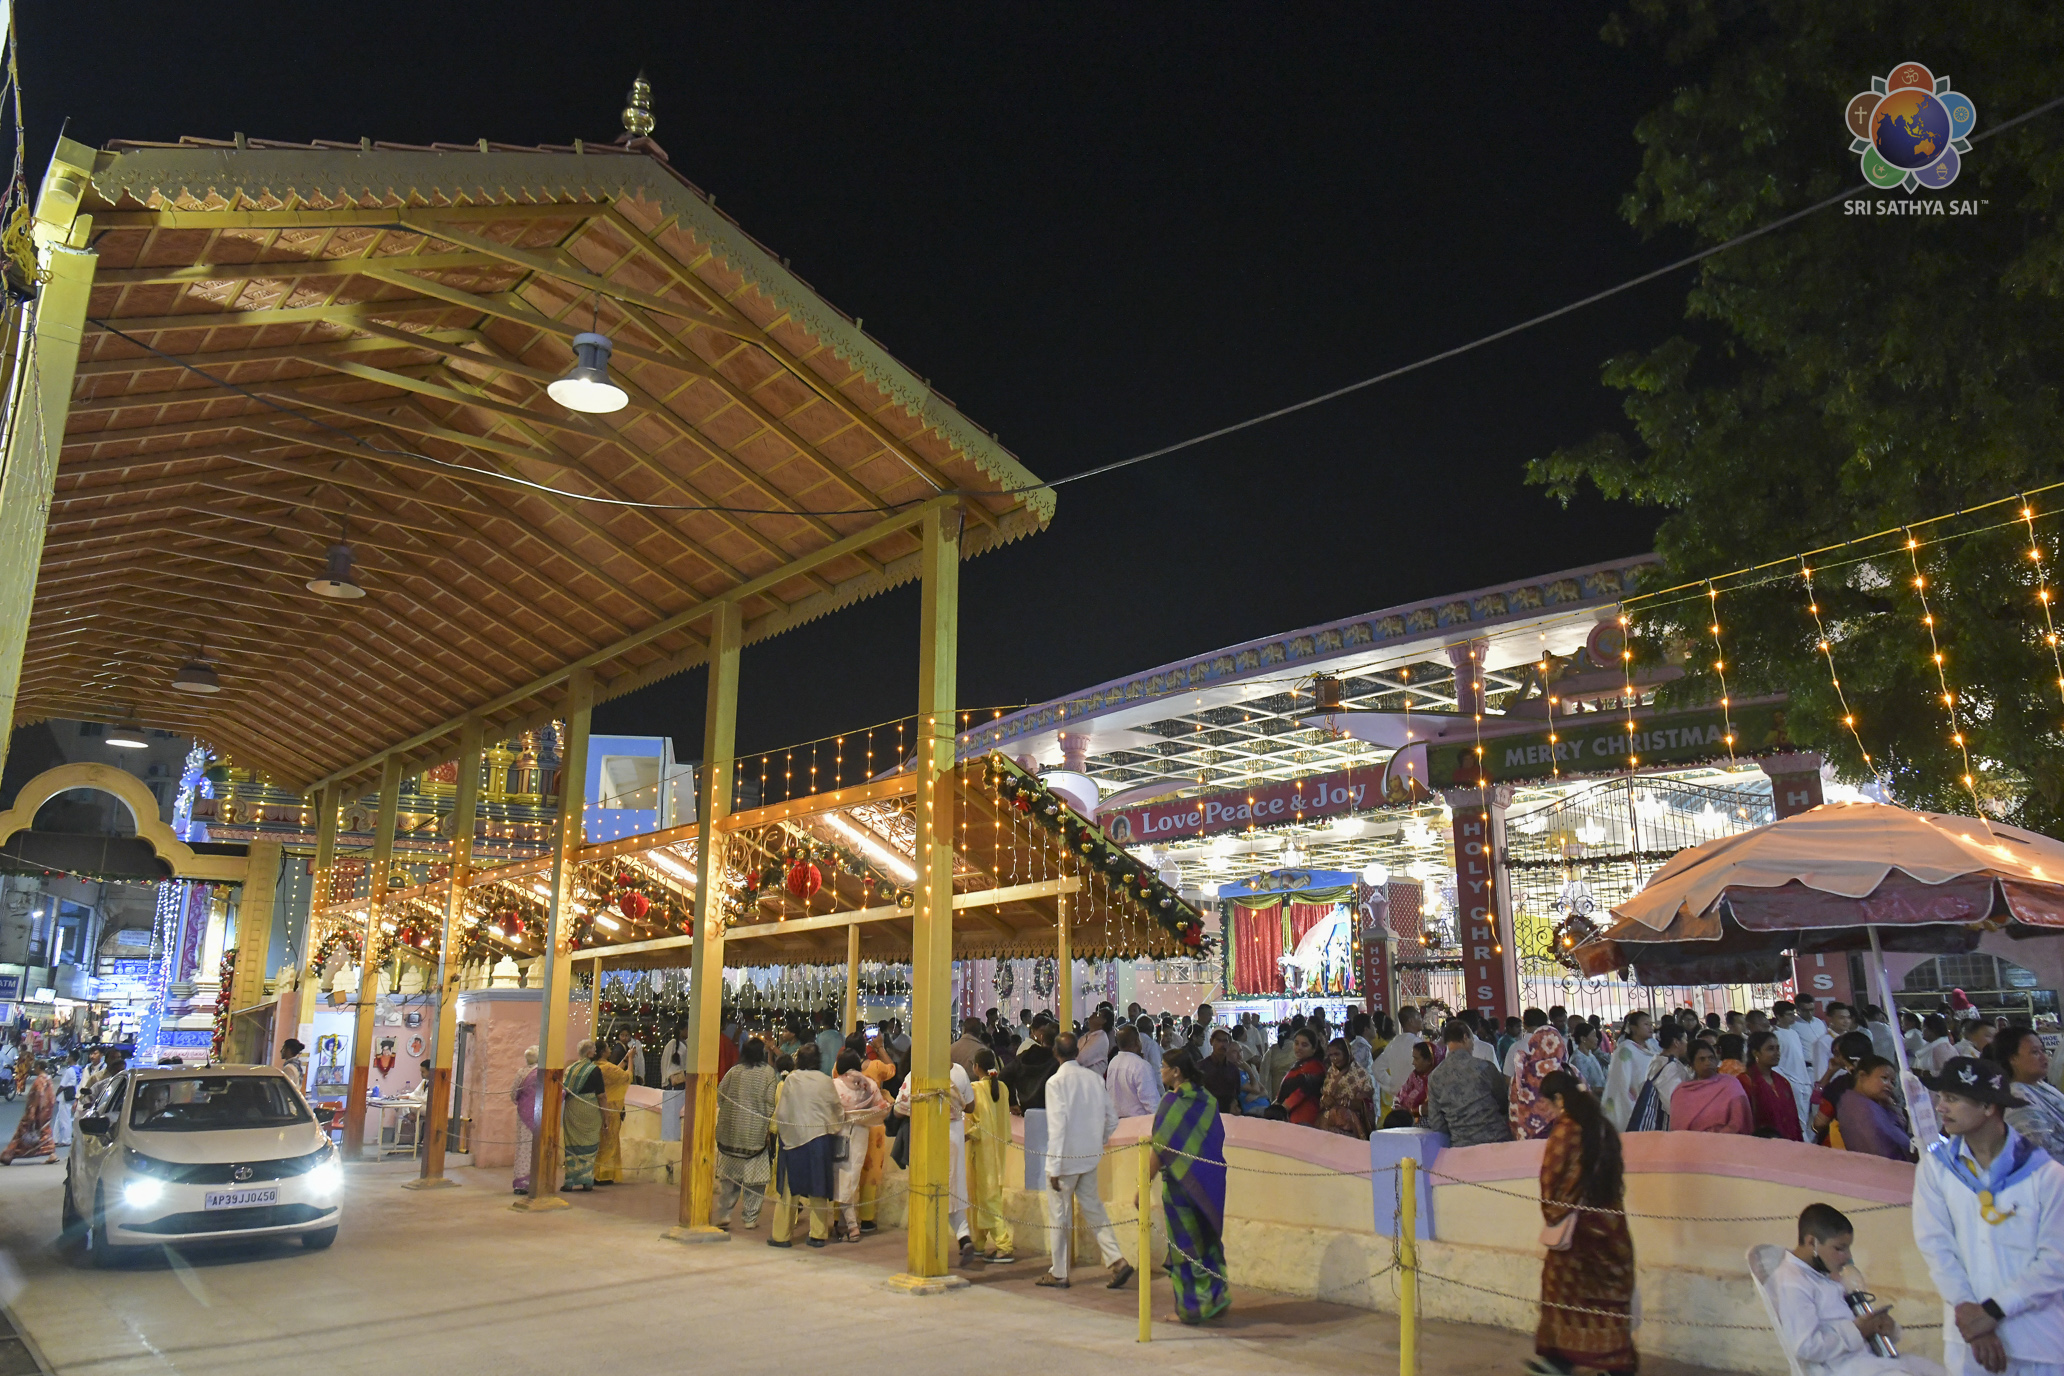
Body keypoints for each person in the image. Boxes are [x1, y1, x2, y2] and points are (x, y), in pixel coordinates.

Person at [1913, 1055, 2064, 1375]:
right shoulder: (1936, 1168)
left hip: (2037, 1340)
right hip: (1968, 1340)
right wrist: (1971, 1313)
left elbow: (2055, 1260)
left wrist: (1992, 1313)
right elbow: (1936, 1246)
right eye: (1941, 1097)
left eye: (1952, 1099)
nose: (1940, 1107)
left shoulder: (2046, 1174)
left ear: (1987, 1106)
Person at [1529, 1070, 1636, 1376]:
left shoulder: (1565, 1131)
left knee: (1563, 1294)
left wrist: (1553, 1214)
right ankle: (1614, 1362)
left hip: (1577, 1234)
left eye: (1548, 1104)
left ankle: (1559, 1360)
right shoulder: (1602, 1126)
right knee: (1609, 1298)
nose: (1547, 1111)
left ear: (1560, 1099)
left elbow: (1551, 1182)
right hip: (1611, 1227)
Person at [1771, 1203, 1945, 1375]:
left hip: (1869, 1359)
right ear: (1812, 1243)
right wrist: (1858, 1331)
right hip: (1838, 1367)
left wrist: (1885, 1327)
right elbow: (1806, 1347)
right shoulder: (1793, 1281)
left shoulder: (1826, 1272)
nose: (1847, 1256)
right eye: (1839, 1248)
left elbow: (1854, 1318)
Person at [1036, 1032, 1134, 1291]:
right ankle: (1117, 1260)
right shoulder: (1093, 1078)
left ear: (1055, 1054)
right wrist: (1096, 1140)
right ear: (1076, 1053)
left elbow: (1057, 1127)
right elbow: (1111, 1119)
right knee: (1094, 1210)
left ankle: (1059, 1272)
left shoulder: (1055, 1083)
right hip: (1089, 1158)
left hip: (1064, 1160)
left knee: (1059, 1215)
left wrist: (1054, 1166)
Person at [1152, 1047, 1230, 1325]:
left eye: (1163, 1066)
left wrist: (1141, 1184)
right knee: (1208, 1239)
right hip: (1208, 1182)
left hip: (1180, 1188)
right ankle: (1217, 1297)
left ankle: (1191, 1309)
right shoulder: (1207, 1099)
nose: (1160, 1070)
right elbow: (1214, 1138)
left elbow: (1159, 1148)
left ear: (1176, 1072)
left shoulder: (1171, 1103)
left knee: (1185, 1245)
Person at [891, 1050, 976, 1262]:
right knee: (953, 1187)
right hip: (954, 1134)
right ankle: (964, 1236)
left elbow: (898, 1110)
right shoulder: (959, 1072)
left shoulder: (916, 1076)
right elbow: (971, 1106)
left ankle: (931, 1243)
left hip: (926, 1135)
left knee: (926, 1188)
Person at [771, 1043, 844, 1249]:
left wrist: (782, 1132)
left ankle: (781, 1235)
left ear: (798, 1060)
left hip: (793, 1138)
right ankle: (818, 1235)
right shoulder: (826, 1081)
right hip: (820, 1138)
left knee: (788, 1190)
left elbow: (782, 1112)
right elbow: (837, 1109)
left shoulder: (791, 1080)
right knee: (818, 1189)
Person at [713, 1038, 778, 1231]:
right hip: (755, 1135)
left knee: (729, 1180)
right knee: (755, 1182)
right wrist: (767, 1127)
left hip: (731, 1134)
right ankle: (750, 1218)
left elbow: (720, 1095)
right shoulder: (768, 1073)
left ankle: (724, 1215)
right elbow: (770, 1103)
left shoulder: (734, 1072)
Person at [1421, 1018, 1513, 1147]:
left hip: (1461, 1145)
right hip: (1496, 1141)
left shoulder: (1435, 1076)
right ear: (1465, 1037)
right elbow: (1503, 1103)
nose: (1473, 1045)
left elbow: (1437, 1122)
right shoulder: (1485, 1067)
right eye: (1472, 1040)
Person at [831, 1048, 887, 1243]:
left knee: (839, 1177)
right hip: (861, 1134)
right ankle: (849, 1224)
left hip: (838, 1134)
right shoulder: (869, 1084)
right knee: (852, 1178)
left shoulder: (835, 1085)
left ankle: (850, 1226)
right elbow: (881, 1109)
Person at [967, 1047, 1016, 1263]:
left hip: (982, 1151)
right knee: (982, 1196)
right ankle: (978, 1241)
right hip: (998, 1150)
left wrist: (966, 1134)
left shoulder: (975, 1088)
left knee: (987, 1198)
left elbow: (978, 1124)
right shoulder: (1002, 1087)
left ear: (976, 1067)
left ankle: (1003, 1244)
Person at [1992, 1028, 2064, 1157]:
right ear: (2013, 1058)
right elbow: (2042, 1150)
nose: (2044, 1057)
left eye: (2043, 1050)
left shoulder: (2041, 1085)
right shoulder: (2017, 1099)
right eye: (2035, 1052)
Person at [1837, 1057, 1913, 1161]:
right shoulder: (1863, 1110)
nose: (1890, 1086)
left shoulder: (1872, 1104)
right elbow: (1882, 1154)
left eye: (1892, 1082)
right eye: (1884, 1078)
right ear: (1862, 1076)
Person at [1509, 1016, 1569, 1140]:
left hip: (1527, 1142)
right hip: (1561, 1141)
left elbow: (1514, 1110)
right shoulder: (1567, 1072)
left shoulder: (1521, 1073)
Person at [1672, 1042, 1752, 1133]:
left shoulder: (1730, 1083)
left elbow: (1739, 1121)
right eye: (1702, 1059)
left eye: (1711, 1058)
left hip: (1727, 1142)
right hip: (1693, 1143)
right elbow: (1678, 1128)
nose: (1708, 1062)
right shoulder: (1682, 1092)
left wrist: (1715, 1139)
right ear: (1692, 1065)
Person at [559, 1040, 607, 1191]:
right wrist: (606, 1116)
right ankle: (587, 1180)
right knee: (590, 1144)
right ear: (588, 1052)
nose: (594, 1052)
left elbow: (565, 1090)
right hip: (589, 1111)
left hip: (572, 1110)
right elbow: (601, 1096)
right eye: (593, 1050)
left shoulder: (570, 1069)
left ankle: (570, 1181)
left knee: (572, 1144)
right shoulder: (594, 1070)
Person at [1743, 1030, 1806, 1141]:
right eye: (1770, 1049)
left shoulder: (1782, 1081)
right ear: (1755, 1053)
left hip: (1788, 1143)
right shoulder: (1745, 1081)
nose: (1777, 1053)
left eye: (1777, 1048)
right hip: (1761, 1145)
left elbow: (1794, 1120)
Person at [1601, 1011, 1658, 1130]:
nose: (1650, 1028)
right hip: (1633, 1105)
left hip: (1652, 1104)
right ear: (1633, 1028)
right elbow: (1620, 1082)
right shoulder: (1625, 1050)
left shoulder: (1653, 1047)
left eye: (1651, 1024)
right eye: (1646, 1024)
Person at [592, 1043, 634, 1185]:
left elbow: (616, 1071)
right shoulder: (607, 1068)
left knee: (599, 1140)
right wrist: (632, 1060)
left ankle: (595, 1171)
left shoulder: (596, 1066)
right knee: (609, 1140)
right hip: (610, 1107)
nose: (610, 1050)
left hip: (596, 1106)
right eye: (608, 1048)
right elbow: (626, 1077)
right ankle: (604, 1174)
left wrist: (626, 1058)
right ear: (604, 1052)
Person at [1318, 1037, 1376, 1139]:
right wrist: (1325, 1100)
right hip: (1330, 1124)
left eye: (1337, 1054)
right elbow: (1324, 1095)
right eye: (1331, 1055)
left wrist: (1344, 1103)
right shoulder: (1331, 1073)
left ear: (1347, 1053)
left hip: (1351, 1126)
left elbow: (1367, 1104)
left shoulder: (1361, 1074)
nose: (1334, 1058)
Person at [1270, 1028, 1327, 1127]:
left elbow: (1299, 1093)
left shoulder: (1315, 1067)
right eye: (1296, 1043)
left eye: (1304, 1045)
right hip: (1291, 1118)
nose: (1299, 1048)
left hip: (1303, 1120)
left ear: (1313, 1049)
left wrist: (1281, 1110)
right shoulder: (1300, 1065)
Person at [1371, 1006, 1424, 1111]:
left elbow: (1376, 1068)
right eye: (1418, 1016)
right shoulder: (1419, 1044)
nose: (1421, 1019)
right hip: (1418, 1100)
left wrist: (1393, 1086)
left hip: (1399, 1099)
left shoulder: (1394, 1043)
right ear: (1411, 1021)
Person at [1775, 1001, 1815, 1128]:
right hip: (1791, 1080)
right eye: (1788, 1014)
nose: (1793, 1017)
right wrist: (1786, 1080)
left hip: (1803, 1079)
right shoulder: (1776, 1034)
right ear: (1779, 1016)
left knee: (1807, 1119)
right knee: (1798, 1119)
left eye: (1793, 1013)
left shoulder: (1793, 1032)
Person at [1106, 1026, 1159, 1118]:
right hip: (1137, 1124)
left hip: (1116, 1122)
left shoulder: (1113, 1062)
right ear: (1137, 1042)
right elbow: (1151, 1103)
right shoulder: (1141, 1065)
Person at [1009, 1018, 1060, 1111]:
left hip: (1026, 1106)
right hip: (1051, 1108)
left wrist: (1012, 1102)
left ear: (1043, 1038)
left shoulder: (1025, 1054)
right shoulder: (1059, 1060)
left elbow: (1004, 1076)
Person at [510, 1045, 540, 1196]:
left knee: (523, 1148)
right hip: (539, 1114)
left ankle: (521, 1182)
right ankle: (535, 1180)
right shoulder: (540, 1073)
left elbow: (513, 1094)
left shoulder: (521, 1072)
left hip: (523, 1113)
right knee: (536, 1148)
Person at [1199, 1027, 1241, 1114]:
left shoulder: (1233, 1069)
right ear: (1211, 1041)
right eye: (1218, 1040)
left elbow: (1236, 1093)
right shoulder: (1201, 1067)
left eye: (1225, 1041)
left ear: (1229, 1044)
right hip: (1206, 1114)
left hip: (1229, 1115)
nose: (1222, 1044)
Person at [1568, 1025, 1607, 1093]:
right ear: (1583, 1039)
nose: (1597, 1039)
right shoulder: (1578, 1059)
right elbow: (1581, 1086)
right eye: (1593, 1036)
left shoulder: (1590, 1055)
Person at [1077, 1010, 1111, 1077]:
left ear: (1104, 1021)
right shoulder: (1086, 1036)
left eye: (1098, 1014)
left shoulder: (1101, 1038)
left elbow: (1081, 1059)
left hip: (1092, 1081)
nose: (1093, 1013)